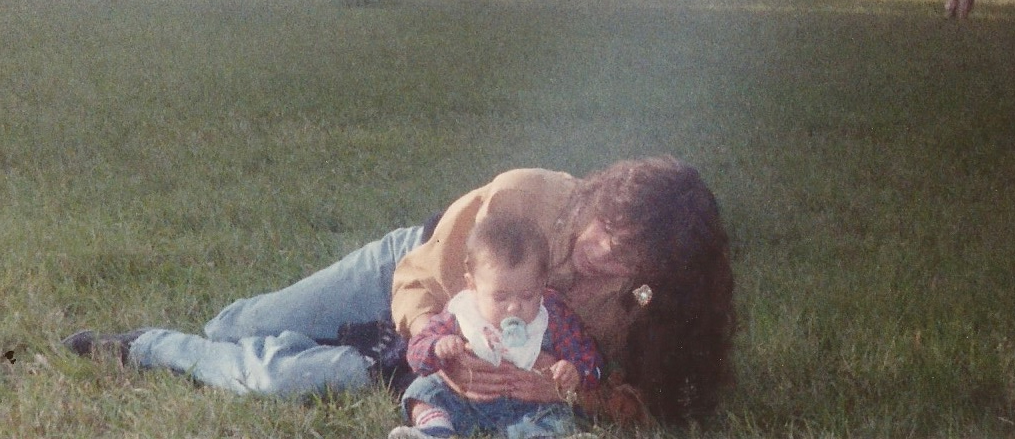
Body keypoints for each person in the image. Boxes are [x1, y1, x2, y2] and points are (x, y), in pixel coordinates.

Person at [63, 157, 735, 425]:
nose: (598, 258)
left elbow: (642, 404)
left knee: (320, 368)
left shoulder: (648, 302)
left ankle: (347, 353)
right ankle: (258, 337)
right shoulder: (527, 196)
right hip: (419, 266)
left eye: (626, 260)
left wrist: (562, 389)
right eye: (602, 233)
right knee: (233, 329)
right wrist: (437, 344)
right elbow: (424, 281)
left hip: (454, 356)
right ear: (600, 198)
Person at [389, 213, 603, 439]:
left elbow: (590, 359)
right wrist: (438, 347)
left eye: (527, 295)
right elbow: (416, 351)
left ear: (542, 283)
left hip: (530, 406)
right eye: (500, 297)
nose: (513, 307)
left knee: (555, 416)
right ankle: (435, 430)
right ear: (472, 284)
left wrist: (575, 372)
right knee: (424, 391)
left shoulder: (553, 314)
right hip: (466, 401)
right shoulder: (461, 313)